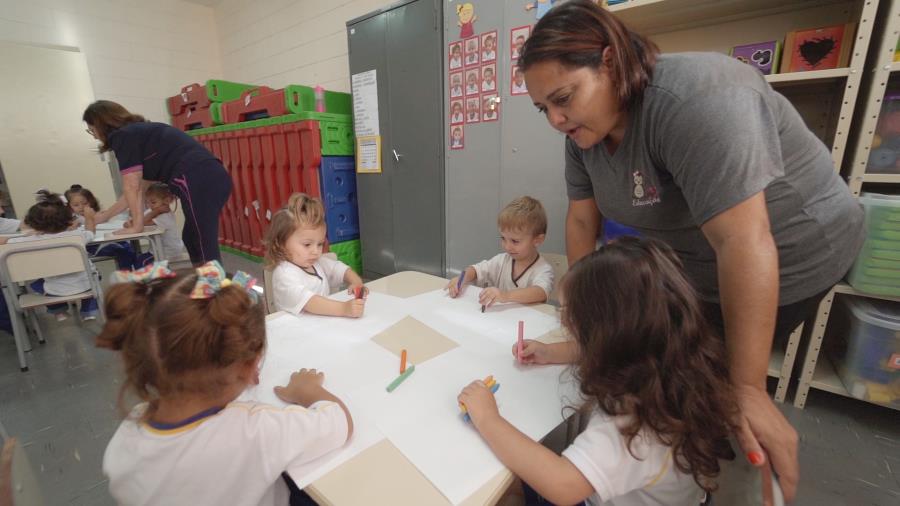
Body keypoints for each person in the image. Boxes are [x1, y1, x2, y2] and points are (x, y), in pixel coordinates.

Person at [518, 1, 868, 498]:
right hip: (699, 258)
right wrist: (586, 308)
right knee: (666, 358)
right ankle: (673, 459)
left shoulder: (697, 98)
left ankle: (699, 473)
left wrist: (747, 388)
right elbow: (581, 217)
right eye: (543, 108)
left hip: (794, 248)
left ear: (611, 61)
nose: (554, 119)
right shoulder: (583, 134)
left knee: (706, 380)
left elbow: (743, 240)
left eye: (563, 98)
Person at [459, 237, 738, 505]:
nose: (563, 320)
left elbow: (562, 484)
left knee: (502, 488)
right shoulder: (673, 368)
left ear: (606, 335)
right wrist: (550, 352)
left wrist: (488, 418)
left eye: (568, 314)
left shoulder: (634, 428)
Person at [98, 261, 353, 505]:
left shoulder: (127, 435)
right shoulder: (255, 430)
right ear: (249, 366)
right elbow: (340, 422)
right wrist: (308, 391)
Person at [82, 100, 232, 264]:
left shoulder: (123, 136)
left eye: (92, 130)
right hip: (209, 177)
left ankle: (212, 287)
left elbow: (132, 186)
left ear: (101, 124)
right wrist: (105, 216)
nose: (94, 135)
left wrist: (137, 226)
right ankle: (204, 283)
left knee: (202, 241)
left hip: (199, 177)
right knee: (191, 238)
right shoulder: (139, 135)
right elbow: (137, 189)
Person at [264, 193, 366, 318]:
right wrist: (344, 309)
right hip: (297, 333)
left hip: (321, 326)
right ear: (281, 243)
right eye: (307, 244)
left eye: (320, 244)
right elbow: (310, 302)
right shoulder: (284, 274)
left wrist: (356, 282)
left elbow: (340, 269)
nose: (315, 251)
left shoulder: (315, 262)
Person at [448, 196, 553, 308]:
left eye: (515, 241)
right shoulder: (502, 260)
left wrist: (505, 296)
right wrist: (462, 278)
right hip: (500, 321)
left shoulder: (543, 269)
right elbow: (476, 270)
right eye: (503, 238)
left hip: (524, 323)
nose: (507, 246)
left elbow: (540, 292)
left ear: (537, 240)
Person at [8, 191, 99, 321]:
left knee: (34, 282)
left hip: (54, 290)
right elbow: (91, 232)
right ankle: (88, 311)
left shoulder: (30, 240)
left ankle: (58, 310)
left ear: (33, 223)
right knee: (94, 274)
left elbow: (6, 242)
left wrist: (31, 234)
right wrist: (90, 218)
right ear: (68, 219)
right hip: (86, 285)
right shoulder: (77, 236)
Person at [65, 184, 137, 269]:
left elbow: (107, 222)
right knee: (123, 251)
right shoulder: (73, 219)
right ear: (69, 207)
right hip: (91, 246)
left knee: (127, 247)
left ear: (90, 202)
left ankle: (131, 273)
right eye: (76, 205)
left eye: (85, 203)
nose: (81, 207)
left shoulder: (96, 213)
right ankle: (125, 275)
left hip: (105, 240)